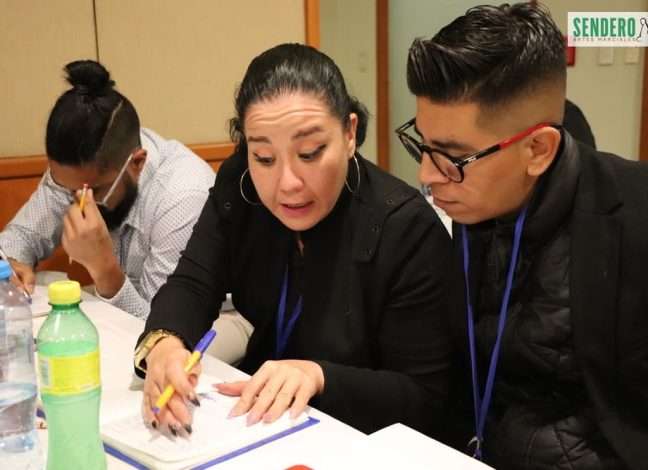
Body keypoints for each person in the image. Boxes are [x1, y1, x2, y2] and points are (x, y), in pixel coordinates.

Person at [134, 43, 453, 437]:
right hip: (261, 421)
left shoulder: (405, 227)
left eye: (310, 153)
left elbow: (426, 398)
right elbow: (193, 281)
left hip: (362, 437)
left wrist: (319, 377)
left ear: (350, 133)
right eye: (264, 158)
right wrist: (166, 343)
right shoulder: (240, 186)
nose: (287, 184)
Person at [399, 3, 648, 469]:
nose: (426, 175)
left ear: (538, 149)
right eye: (422, 145)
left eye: (451, 157)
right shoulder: (467, 208)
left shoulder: (633, 221)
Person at [0, 60, 216, 320]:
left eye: (93, 190)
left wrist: (104, 269)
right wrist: (10, 265)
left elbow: (163, 328)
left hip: (206, 323)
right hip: (120, 313)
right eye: (64, 188)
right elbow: (22, 235)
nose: (77, 201)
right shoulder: (77, 174)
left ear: (137, 163)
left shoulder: (182, 197)